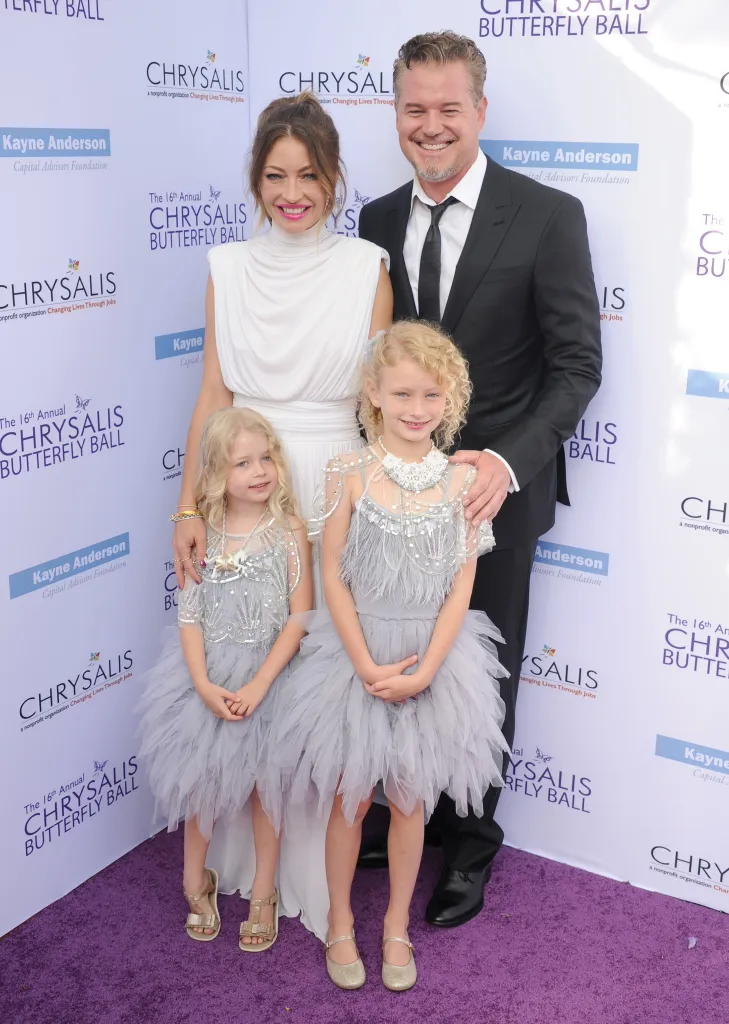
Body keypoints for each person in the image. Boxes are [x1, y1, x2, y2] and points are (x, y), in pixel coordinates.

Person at [357, 31, 602, 928]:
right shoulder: (374, 220)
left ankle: (471, 839)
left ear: (479, 112)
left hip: (497, 490)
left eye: (447, 110)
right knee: (393, 649)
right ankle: (396, 810)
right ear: (395, 113)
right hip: (395, 494)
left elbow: (576, 364)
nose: (430, 127)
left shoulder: (546, 214)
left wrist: (502, 463)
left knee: (483, 670)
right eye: (413, 110)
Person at [267, 322, 508, 990]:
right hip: (354, 655)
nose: (415, 407)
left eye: (431, 394)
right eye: (401, 391)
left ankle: (394, 925)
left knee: (408, 802)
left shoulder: (464, 483)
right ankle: (340, 920)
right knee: (349, 799)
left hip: (430, 658)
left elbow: (462, 585)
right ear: (372, 393)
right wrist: (363, 663)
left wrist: (427, 668)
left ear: (449, 400)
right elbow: (333, 574)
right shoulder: (348, 473)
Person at [172, 91, 391, 592]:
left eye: (309, 174)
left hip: (337, 483)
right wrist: (186, 508)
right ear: (256, 181)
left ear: (333, 176)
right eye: (275, 176)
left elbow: (378, 410)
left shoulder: (367, 269)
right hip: (241, 486)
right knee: (249, 650)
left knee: (331, 651)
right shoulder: (226, 269)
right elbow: (213, 395)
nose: (292, 194)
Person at [139, 407, 312, 950]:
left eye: (266, 459)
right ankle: (197, 880)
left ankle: (265, 890)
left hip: (270, 676)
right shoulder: (201, 538)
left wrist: (260, 684)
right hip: (209, 675)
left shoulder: (288, 533)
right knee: (201, 785)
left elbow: (299, 618)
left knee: (267, 788)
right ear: (215, 473)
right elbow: (188, 617)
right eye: (243, 463)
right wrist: (202, 683)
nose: (259, 471)